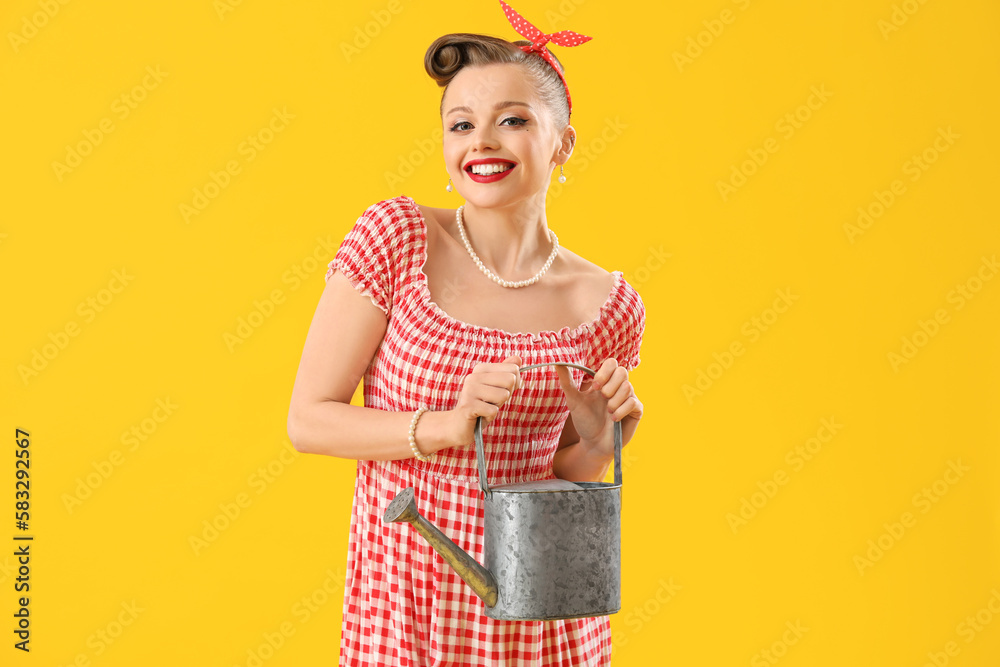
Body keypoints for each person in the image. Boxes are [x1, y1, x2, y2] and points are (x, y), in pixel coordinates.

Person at [287, 2, 645, 664]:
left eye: (512, 120)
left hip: (546, 627)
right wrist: (446, 425)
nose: (480, 142)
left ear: (562, 143)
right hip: (410, 615)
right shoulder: (397, 239)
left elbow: (561, 476)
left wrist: (598, 446)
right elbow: (308, 420)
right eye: (460, 124)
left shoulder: (608, 305)